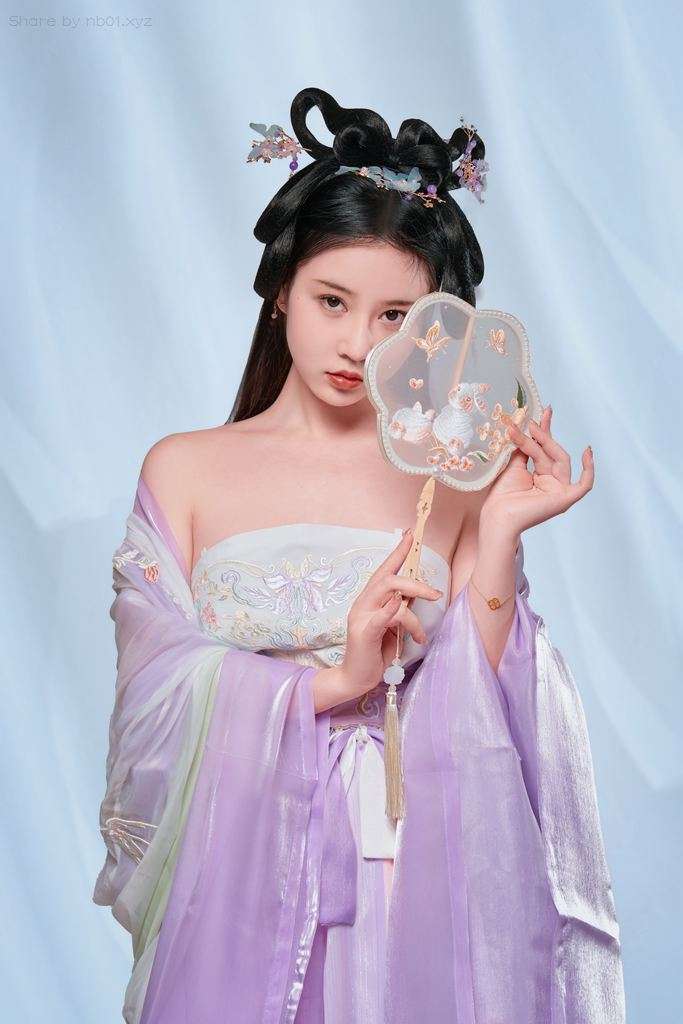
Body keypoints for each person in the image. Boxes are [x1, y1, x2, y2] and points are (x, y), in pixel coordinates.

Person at [93, 87, 625, 1023]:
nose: (355, 343)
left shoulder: (450, 476)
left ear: (433, 328)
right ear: (280, 292)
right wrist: (332, 685)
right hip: (243, 862)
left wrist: (499, 531)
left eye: (393, 316)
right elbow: (153, 689)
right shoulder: (184, 470)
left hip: (405, 866)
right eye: (331, 301)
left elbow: (485, 703)